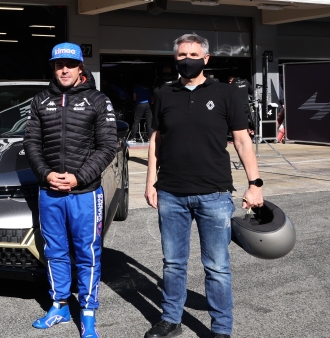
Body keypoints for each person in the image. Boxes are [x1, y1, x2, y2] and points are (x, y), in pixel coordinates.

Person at [144, 34, 264, 338]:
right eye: (182, 54)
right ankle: (171, 320)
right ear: (175, 59)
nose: (187, 59)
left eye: (193, 54)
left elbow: (241, 140)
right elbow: (156, 139)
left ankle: (221, 329)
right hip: (171, 193)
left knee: (217, 267)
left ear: (206, 59)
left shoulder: (226, 94)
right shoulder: (164, 93)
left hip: (215, 194)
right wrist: (150, 182)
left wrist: (255, 184)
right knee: (173, 264)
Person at [23, 43, 117, 338]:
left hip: (85, 193)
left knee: (88, 253)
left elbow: (107, 146)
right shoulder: (40, 101)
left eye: (70, 64)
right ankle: (60, 305)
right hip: (49, 191)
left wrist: (78, 178)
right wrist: (46, 173)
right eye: (59, 64)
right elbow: (31, 145)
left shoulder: (98, 100)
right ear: (53, 67)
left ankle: (88, 312)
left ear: (80, 68)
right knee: (54, 251)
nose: (64, 69)